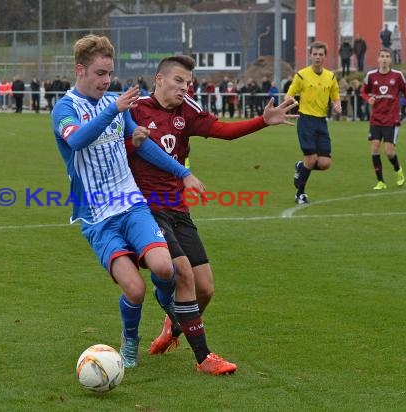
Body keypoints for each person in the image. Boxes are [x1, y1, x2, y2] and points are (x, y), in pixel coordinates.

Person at [128, 55, 298, 374]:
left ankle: (174, 326)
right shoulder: (135, 109)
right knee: (184, 274)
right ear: (159, 79)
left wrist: (263, 120)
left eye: (188, 82)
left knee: (205, 288)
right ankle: (204, 358)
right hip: (144, 208)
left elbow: (223, 130)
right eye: (178, 80)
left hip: (177, 207)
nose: (185, 87)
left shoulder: (187, 110)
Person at [51, 34, 207, 371]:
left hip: (131, 204)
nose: (106, 80)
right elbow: (77, 140)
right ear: (81, 70)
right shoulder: (66, 108)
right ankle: (131, 339)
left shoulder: (113, 102)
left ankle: (166, 303)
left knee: (165, 267)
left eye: (109, 73)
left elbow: (144, 144)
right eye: (99, 73)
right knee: (134, 289)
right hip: (97, 216)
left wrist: (182, 172)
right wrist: (113, 110)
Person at [285, 41, 341, 204]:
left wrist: (337, 105)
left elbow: (335, 96)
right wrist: (289, 100)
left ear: (325, 56)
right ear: (310, 55)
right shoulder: (301, 75)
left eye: (320, 54)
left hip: (321, 122)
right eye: (315, 54)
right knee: (311, 159)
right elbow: (290, 94)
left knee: (325, 163)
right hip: (306, 121)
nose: (317, 57)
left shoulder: (330, 76)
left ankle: (300, 167)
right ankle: (300, 194)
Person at [361, 48, 406, 190]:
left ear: (390, 59)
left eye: (387, 56)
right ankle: (381, 182)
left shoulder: (397, 76)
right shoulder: (371, 75)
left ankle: (398, 170)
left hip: (392, 119)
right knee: (375, 148)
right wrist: (368, 98)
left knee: (389, 152)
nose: (384, 59)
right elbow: (363, 91)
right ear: (378, 59)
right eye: (382, 56)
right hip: (376, 119)